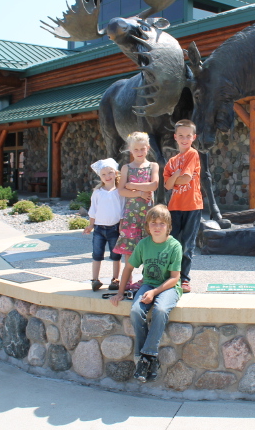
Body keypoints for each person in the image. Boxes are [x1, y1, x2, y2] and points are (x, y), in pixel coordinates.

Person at [110, 204, 182, 383]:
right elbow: (128, 268)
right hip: (148, 283)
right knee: (136, 311)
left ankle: (145, 357)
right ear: (147, 226)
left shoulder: (174, 246)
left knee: (161, 310)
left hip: (169, 287)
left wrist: (154, 292)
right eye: (153, 223)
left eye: (162, 223)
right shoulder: (143, 244)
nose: (157, 227)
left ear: (168, 226)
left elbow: (174, 278)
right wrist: (120, 292)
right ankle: (148, 359)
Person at [163, 119, 203, 293]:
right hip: (174, 206)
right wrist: (174, 177)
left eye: (188, 136)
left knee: (187, 244)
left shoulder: (192, 154)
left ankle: (185, 278)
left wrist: (174, 178)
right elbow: (167, 185)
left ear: (194, 137)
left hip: (192, 205)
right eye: (181, 136)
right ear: (175, 137)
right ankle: (172, 276)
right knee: (172, 242)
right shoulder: (172, 161)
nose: (184, 139)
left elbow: (186, 179)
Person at [113, 132, 158, 258]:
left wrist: (132, 185)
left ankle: (147, 271)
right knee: (129, 248)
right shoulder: (126, 168)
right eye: (136, 149)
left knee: (149, 247)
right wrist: (140, 193)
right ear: (130, 150)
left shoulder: (153, 166)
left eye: (142, 149)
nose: (139, 152)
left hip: (148, 213)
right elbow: (121, 190)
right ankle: (129, 271)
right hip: (131, 214)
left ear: (148, 148)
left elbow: (154, 185)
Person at [83, 158, 124, 292]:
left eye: (110, 173)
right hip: (99, 229)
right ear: (100, 176)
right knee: (97, 254)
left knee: (116, 255)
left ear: (116, 173)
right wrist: (91, 225)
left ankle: (115, 279)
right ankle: (95, 279)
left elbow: (122, 209)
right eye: (104, 174)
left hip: (114, 228)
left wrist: (122, 225)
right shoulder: (97, 192)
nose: (107, 176)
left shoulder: (119, 192)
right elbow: (93, 210)